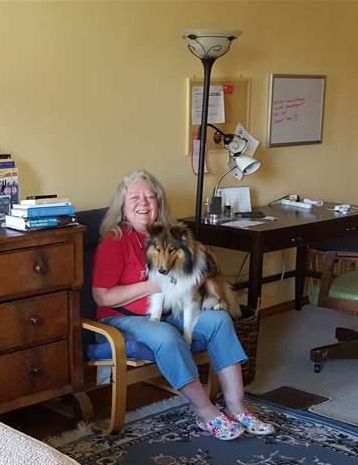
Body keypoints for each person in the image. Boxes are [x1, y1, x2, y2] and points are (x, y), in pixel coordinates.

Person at [91, 169, 273, 440]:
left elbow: (188, 276)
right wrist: (153, 286)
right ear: (122, 205)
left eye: (150, 197)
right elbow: (102, 297)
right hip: (122, 317)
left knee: (219, 321)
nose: (143, 203)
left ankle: (237, 407)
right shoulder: (115, 243)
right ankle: (206, 412)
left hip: (168, 310)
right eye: (135, 197)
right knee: (166, 336)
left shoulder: (170, 236)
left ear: (159, 204)